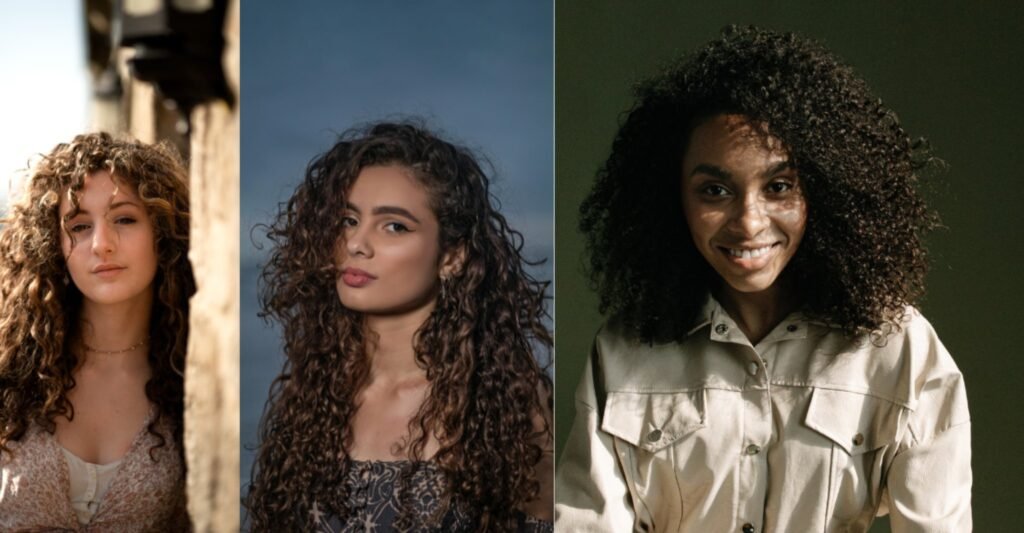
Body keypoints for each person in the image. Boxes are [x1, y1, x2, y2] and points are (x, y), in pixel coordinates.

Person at [555, 26, 970, 532]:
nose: (749, 222)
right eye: (714, 191)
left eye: (778, 186)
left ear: (824, 189)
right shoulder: (622, 352)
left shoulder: (900, 349)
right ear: (672, 201)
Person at [246, 121, 554, 531]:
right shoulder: (310, 397)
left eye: (394, 226)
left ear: (452, 257)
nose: (357, 244)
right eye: (347, 220)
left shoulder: (503, 404)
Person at [0, 132, 194, 530]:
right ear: (54, 244)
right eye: (80, 226)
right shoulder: (11, 367)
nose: (102, 244)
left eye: (124, 218)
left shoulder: (193, 380)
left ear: (162, 233)